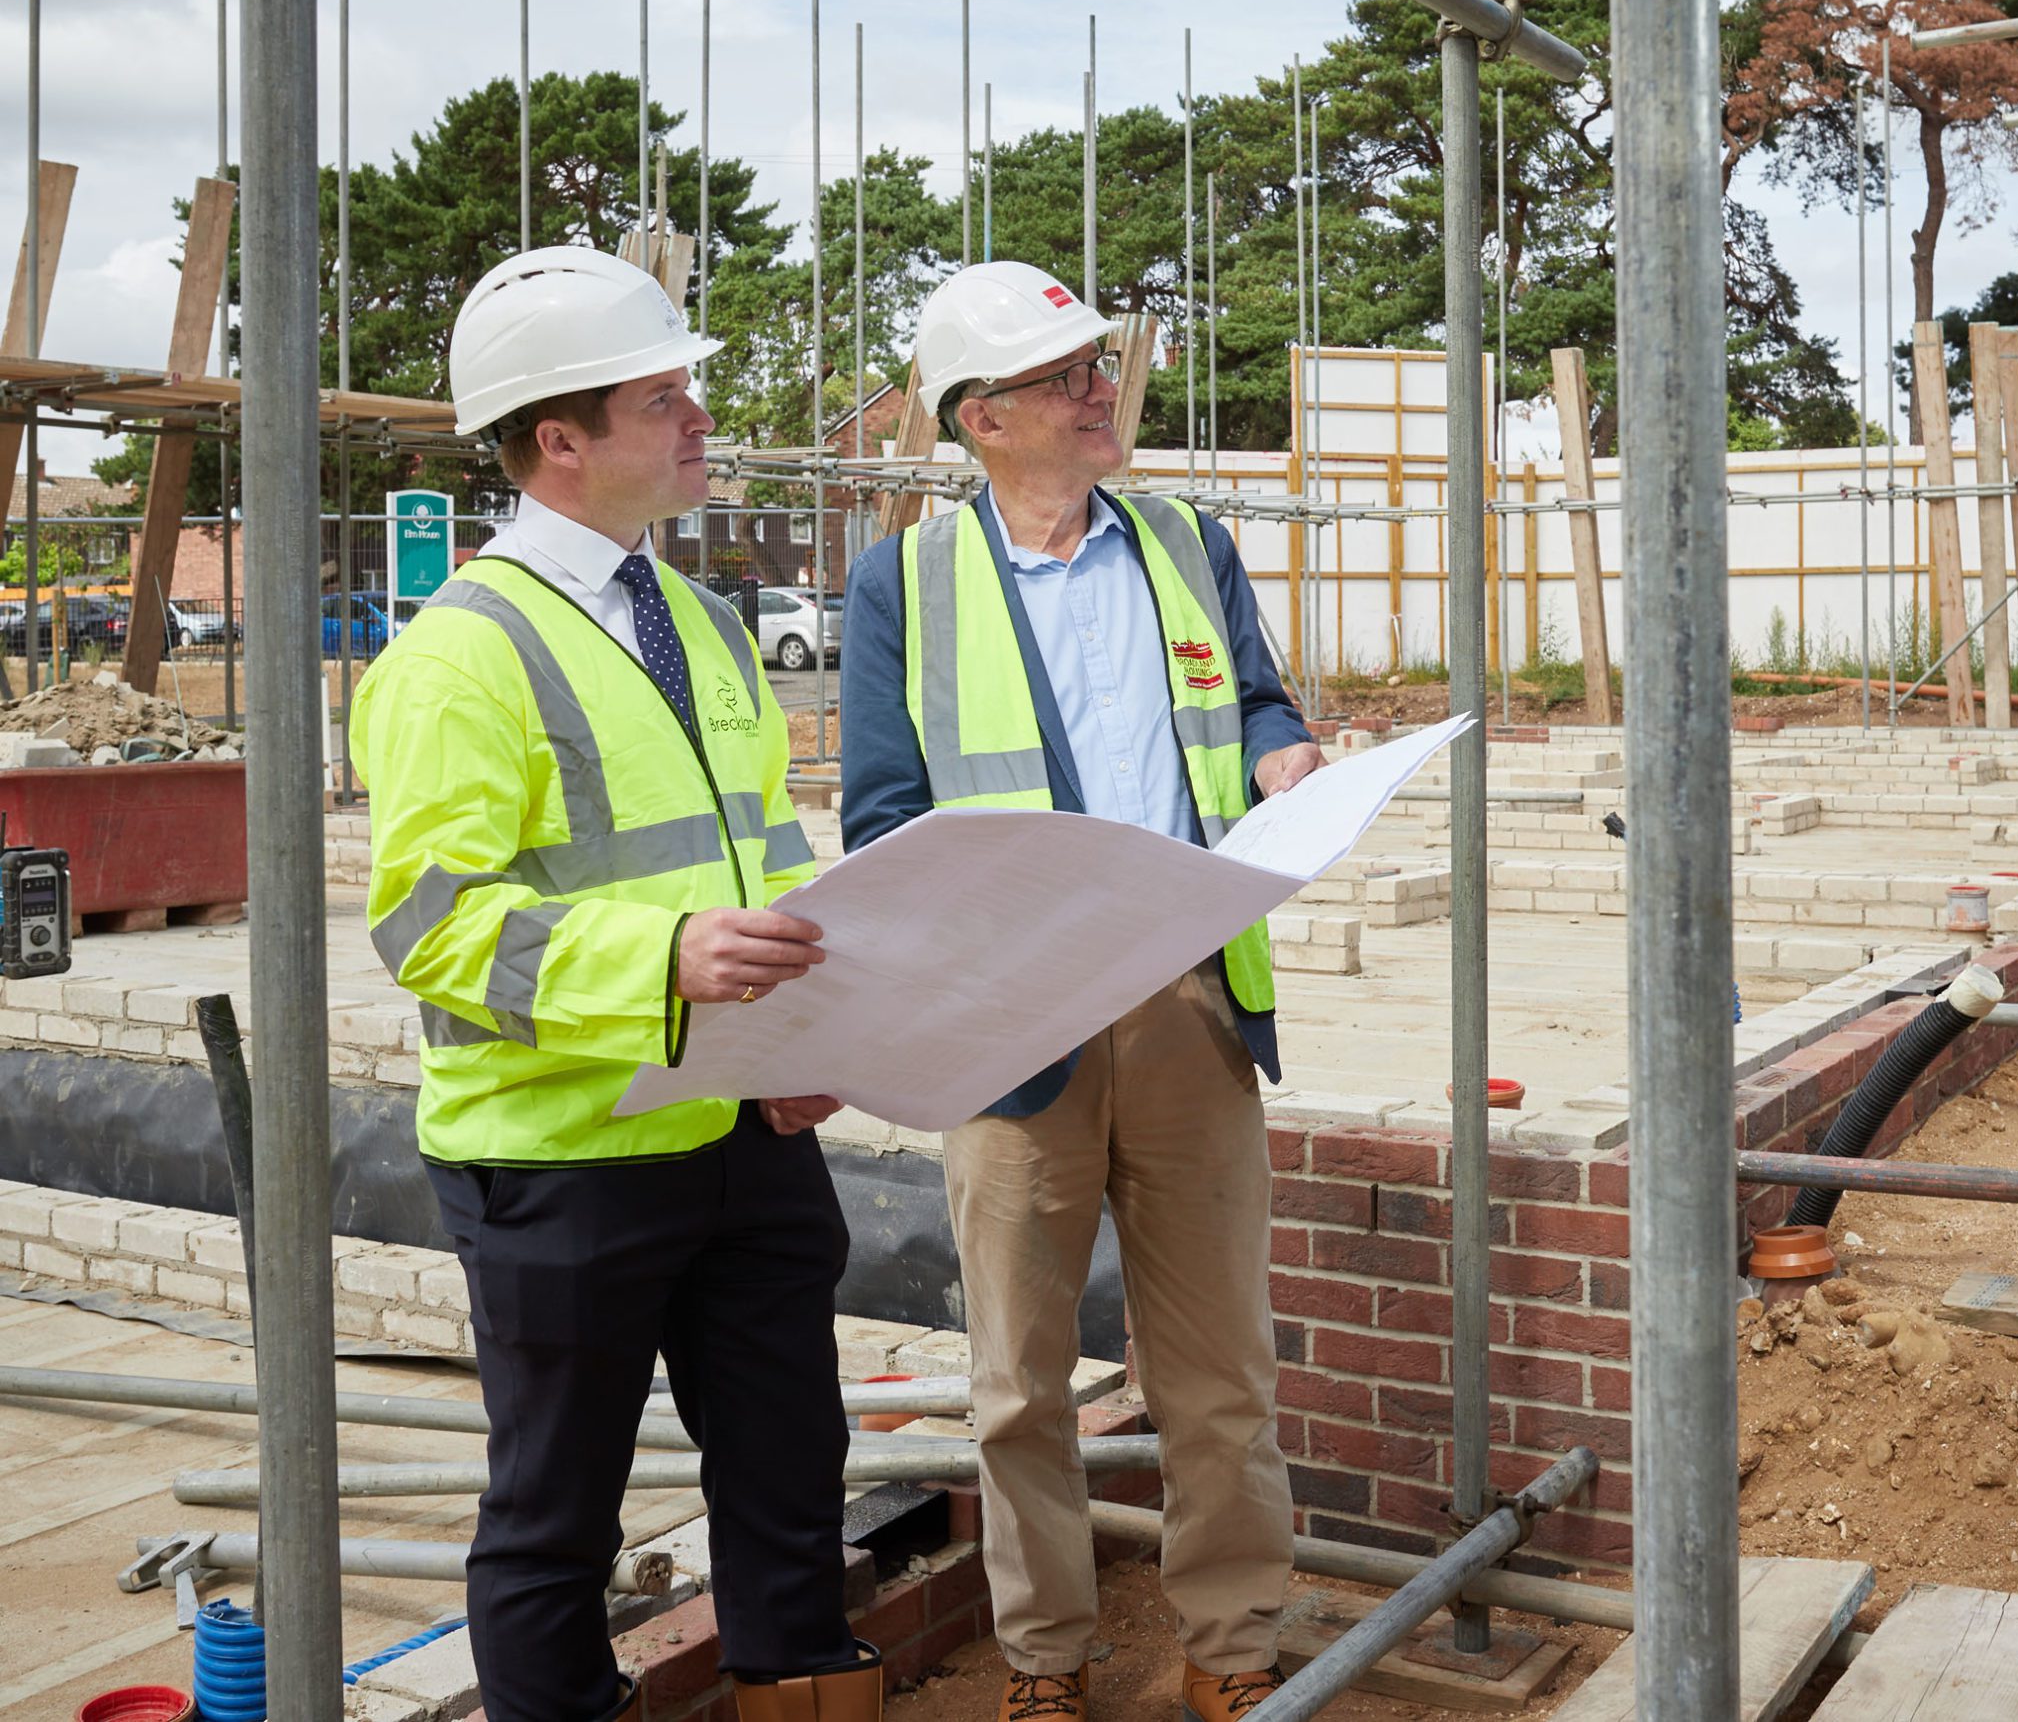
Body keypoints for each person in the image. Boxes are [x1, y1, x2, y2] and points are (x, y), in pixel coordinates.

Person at [351, 246, 878, 1722]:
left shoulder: (700, 621)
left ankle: (805, 1695)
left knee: (790, 1476)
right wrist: (664, 963)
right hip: (559, 1156)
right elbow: (434, 928)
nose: (701, 414)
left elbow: (761, 861)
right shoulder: (461, 654)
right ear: (560, 439)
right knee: (555, 1521)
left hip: (744, 1128)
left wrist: (805, 1027)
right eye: (666, 396)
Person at [839, 261, 1321, 1722]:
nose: (1100, 388)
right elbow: (879, 818)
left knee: (1220, 1375)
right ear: (981, 420)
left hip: (1185, 1004)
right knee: (1017, 1389)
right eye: (1064, 377)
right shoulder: (903, 581)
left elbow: (1252, 698)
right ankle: (1045, 1666)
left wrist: (1285, 746)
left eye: (1097, 367)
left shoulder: (1186, 541)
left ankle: (1231, 1651)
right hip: (1011, 1028)